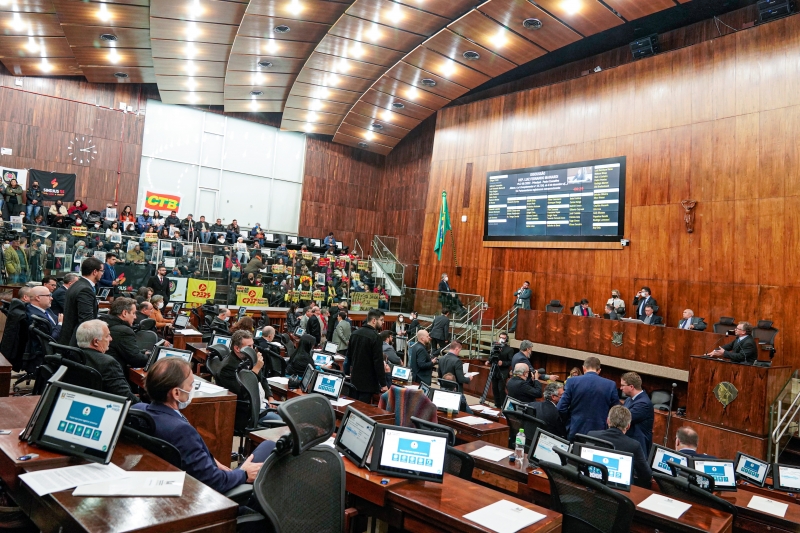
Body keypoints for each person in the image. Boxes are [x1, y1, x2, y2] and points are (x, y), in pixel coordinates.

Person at [133, 357, 275, 495]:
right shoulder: (180, 431)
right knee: (269, 447)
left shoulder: (139, 410)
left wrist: (212, 460)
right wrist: (243, 474)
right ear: (176, 393)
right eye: (190, 385)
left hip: (170, 482)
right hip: (206, 495)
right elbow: (213, 481)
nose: (192, 388)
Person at [218, 330, 281, 426]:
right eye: (248, 347)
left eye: (252, 346)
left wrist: (270, 398)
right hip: (250, 412)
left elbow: (262, 379)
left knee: (293, 414)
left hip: (264, 403)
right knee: (287, 424)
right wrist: (255, 369)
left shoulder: (247, 358)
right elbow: (243, 393)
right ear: (237, 348)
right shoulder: (228, 368)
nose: (252, 349)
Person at [587, 406, 653, 488]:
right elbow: (646, 475)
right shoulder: (634, 445)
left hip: (592, 485)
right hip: (619, 492)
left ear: (608, 421)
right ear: (628, 426)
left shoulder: (591, 435)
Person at [557, 356, 619, 440]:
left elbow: (561, 408)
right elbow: (616, 411)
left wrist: (570, 421)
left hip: (575, 429)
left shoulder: (572, 381)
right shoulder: (610, 385)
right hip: (600, 433)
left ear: (583, 368)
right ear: (599, 370)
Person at [76, 320, 137, 403]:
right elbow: (125, 397)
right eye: (107, 336)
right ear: (96, 342)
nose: (111, 339)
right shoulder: (108, 363)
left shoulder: (71, 356)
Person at [58, 257, 102, 345]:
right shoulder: (85, 289)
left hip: (68, 337)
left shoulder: (76, 285)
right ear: (95, 272)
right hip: (77, 342)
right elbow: (86, 321)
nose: (102, 274)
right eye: (102, 271)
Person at [348, 309, 388, 403]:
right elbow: (378, 362)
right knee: (362, 411)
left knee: (353, 408)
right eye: (381, 320)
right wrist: (383, 384)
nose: (383, 322)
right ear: (374, 320)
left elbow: (348, 356)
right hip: (368, 383)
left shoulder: (354, 333)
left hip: (354, 380)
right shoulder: (376, 337)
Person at [100, 297, 147, 371]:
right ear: (124, 313)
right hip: (115, 373)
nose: (135, 317)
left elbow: (122, 350)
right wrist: (151, 356)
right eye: (133, 313)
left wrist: (142, 352)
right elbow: (137, 360)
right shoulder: (124, 331)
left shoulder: (103, 324)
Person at [620, 372, 654, 456]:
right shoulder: (629, 399)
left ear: (631, 387)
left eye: (623, 385)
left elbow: (622, 419)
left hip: (638, 448)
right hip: (628, 443)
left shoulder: (643, 404)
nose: (620, 388)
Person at [27, 285, 63, 354]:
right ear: (38, 298)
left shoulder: (46, 309)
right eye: (48, 295)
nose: (51, 298)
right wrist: (60, 324)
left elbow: (57, 319)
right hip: (48, 353)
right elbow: (50, 339)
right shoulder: (35, 317)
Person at [487, 331, 514, 408]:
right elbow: (491, 356)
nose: (502, 339)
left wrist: (503, 363)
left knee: (501, 389)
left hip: (503, 372)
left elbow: (510, 362)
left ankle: (503, 405)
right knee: (494, 388)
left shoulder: (509, 350)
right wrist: (488, 361)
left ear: (506, 339)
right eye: (500, 337)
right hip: (494, 370)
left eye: (503, 338)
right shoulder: (495, 346)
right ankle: (497, 404)